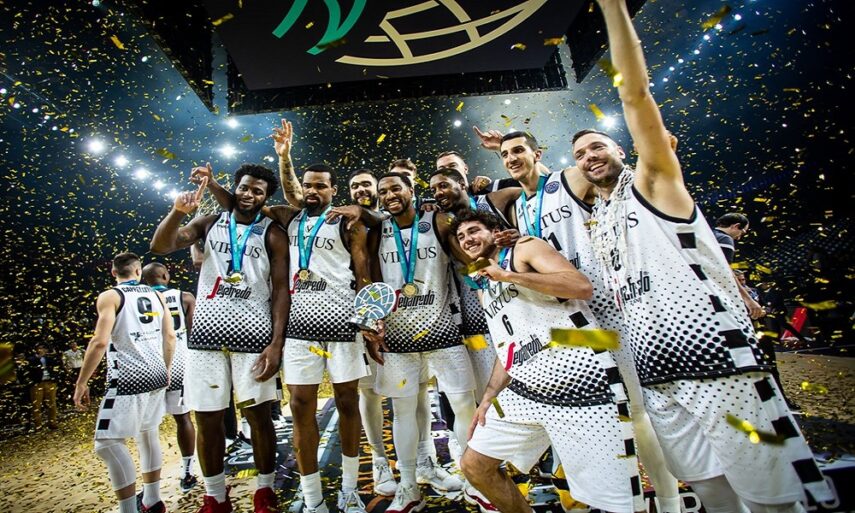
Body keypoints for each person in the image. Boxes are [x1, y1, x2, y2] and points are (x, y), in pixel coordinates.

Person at [581, 0, 832, 510]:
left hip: (718, 361)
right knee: (710, 490)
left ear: (624, 151)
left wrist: (611, 10)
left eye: (598, 146)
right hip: (656, 372)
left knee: (770, 495)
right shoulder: (600, 219)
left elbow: (635, 93)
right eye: (581, 154)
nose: (589, 157)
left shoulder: (654, 184)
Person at [477, 129, 683, 510]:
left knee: (638, 414)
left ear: (539, 153)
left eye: (519, 150)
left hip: (606, 311)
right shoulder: (519, 208)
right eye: (505, 155)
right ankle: (595, 498)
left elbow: (601, 172)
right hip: (568, 324)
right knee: (588, 418)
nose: (511, 158)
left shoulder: (568, 180)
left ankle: (669, 503)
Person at [452, 209, 644, 513]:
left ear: (495, 232)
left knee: (619, 503)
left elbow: (580, 286)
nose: (467, 240)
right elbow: (507, 348)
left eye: (473, 230)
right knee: (475, 466)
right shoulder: (485, 286)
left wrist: (509, 275)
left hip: (582, 383)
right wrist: (488, 397)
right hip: (527, 390)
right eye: (461, 236)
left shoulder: (524, 248)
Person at [150, 164, 289, 513]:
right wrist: (177, 213)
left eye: (257, 191)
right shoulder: (209, 223)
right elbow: (161, 246)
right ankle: (215, 496)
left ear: (265, 198)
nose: (249, 195)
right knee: (207, 418)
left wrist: (276, 343)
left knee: (259, 417)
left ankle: (265, 490)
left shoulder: (272, 233)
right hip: (206, 339)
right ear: (235, 188)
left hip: (254, 337)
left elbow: (280, 291)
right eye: (244, 187)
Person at [363, 172, 477, 513]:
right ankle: (409, 487)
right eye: (383, 191)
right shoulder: (378, 231)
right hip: (397, 337)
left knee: (463, 406)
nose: (389, 195)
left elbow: (465, 260)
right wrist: (373, 322)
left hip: (443, 331)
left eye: (396, 188)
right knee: (402, 413)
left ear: (411, 190)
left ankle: (475, 480)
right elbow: (373, 279)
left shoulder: (437, 221)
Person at [73, 252, 175, 513]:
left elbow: (99, 341)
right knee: (148, 434)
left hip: (128, 377)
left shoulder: (110, 296)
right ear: (138, 271)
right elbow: (169, 337)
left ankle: (128, 509)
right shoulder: (157, 296)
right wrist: (165, 370)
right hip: (157, 374)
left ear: (113, 272)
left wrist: (82, 381)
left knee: (106, 444)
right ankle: (152, 500)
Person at [141, 262, 199, 493]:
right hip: (179, 360)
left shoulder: (137, 298)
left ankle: (150, 486)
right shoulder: (184, 297)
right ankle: (187, 472)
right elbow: (195, 332)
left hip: (149, 362)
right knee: (183, 419)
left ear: (144, 279)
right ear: (166, 275)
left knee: (147, 426)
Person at [715, 213, 765, 319]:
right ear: (736, 226)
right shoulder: (724, 239)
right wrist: (748, 299)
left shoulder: (706, 234)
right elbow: (726, 272)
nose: (739, 238)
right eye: (742, 232)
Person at [27, 342, 61, 430]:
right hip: (37, 384)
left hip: (50, 382)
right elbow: (29, 369)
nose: (42, 350)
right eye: (40, 348)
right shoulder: (31, 359)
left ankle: (52, 422)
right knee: (36, 405)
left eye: (43, 348)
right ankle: (38, 425)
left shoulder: (49, 358)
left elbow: (57, 365)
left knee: (52, 403)